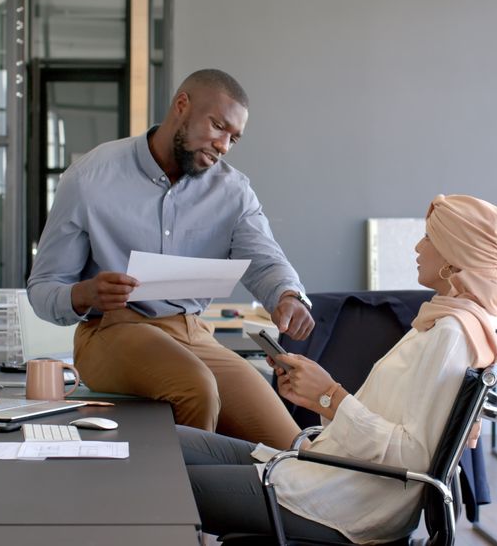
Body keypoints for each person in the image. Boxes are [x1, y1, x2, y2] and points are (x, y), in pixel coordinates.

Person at [179, 194, 497, 544]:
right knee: (168, 447)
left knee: (164, 483)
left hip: (344, 501)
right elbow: (390, 424)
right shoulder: (442, 322)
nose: (418, 246)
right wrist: (320, 397)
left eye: (429, 238)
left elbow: (411, 458)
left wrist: (330, 397)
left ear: (451, 256)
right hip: (329, 473)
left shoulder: (452, 334)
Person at [27, 69, 314, 450]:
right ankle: (184, 508)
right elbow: (43, 289)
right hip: (111, 331)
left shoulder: (233, 191)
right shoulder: (90, 177)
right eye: (217, 126)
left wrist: (288, 295)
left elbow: (265, 258)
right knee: (196, 387)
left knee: (290, 449)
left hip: (193, 333)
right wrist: (85, 294)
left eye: (234, 137)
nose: (224, 145)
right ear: (182, 106)